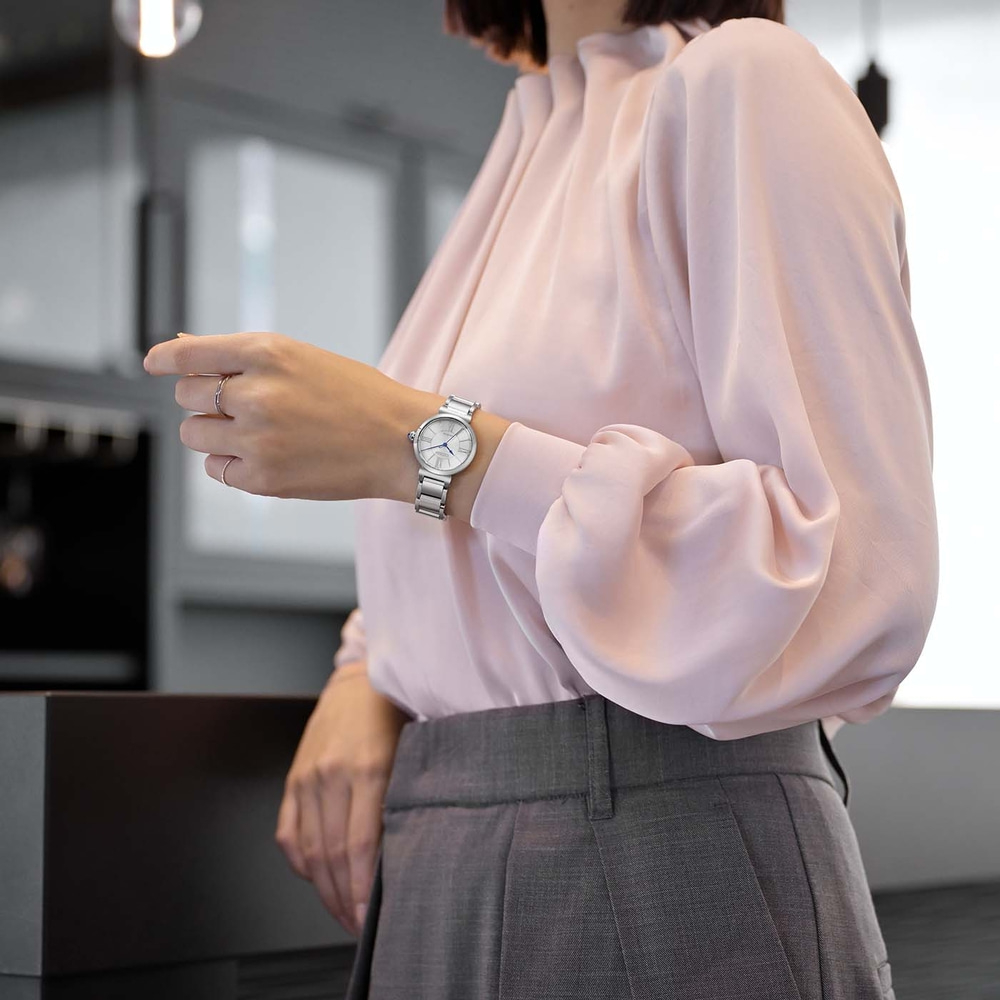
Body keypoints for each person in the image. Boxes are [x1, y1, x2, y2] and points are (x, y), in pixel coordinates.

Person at [144, 0, 938, 996]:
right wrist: (370, 672)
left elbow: (855, 582)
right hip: (443, 849)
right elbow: (480, 546)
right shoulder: (532, 135)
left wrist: (418, 443)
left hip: (657, 841)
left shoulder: (748, 82)